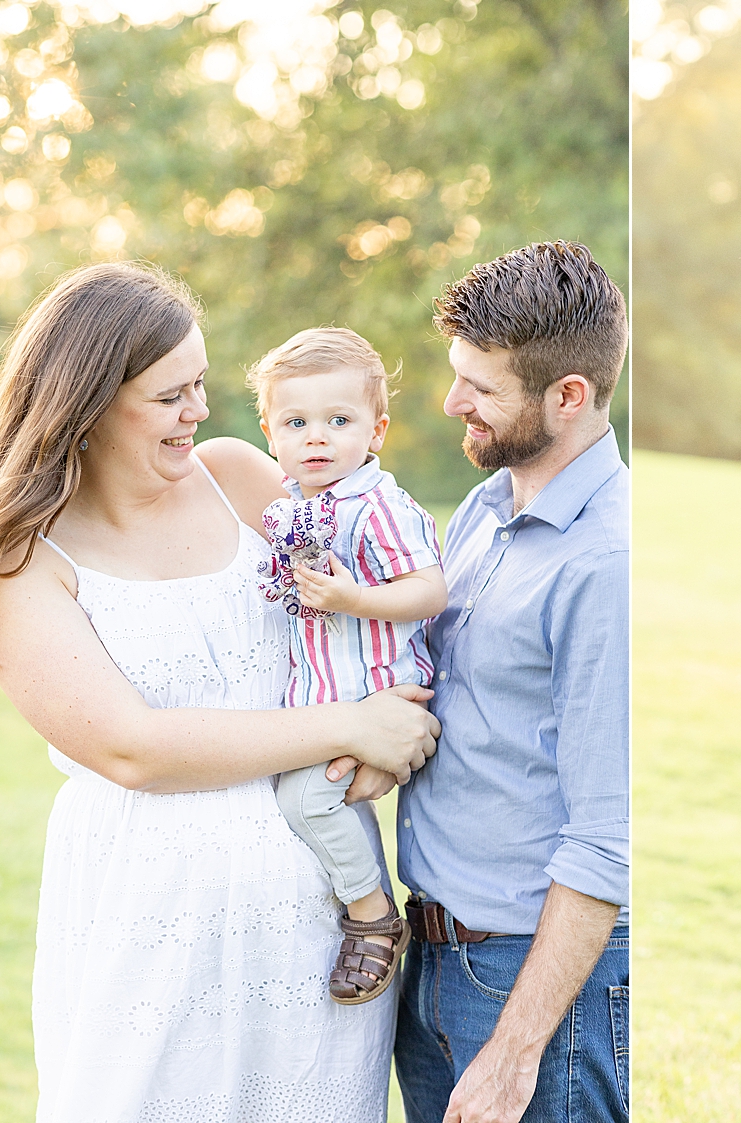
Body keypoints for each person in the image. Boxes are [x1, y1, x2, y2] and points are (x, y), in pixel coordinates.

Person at [0, 261, 440, 1122]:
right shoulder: (22, 562)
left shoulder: (240, 477)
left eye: (200, 385)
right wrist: (349, 723)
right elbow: (133, 747)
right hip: (149, 924)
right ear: (89, 404)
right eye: (172, 395)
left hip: (320, 927)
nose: (200, 411)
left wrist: (392, 725)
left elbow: (375, 575)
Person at [382, 241, 630, 1123]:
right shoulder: (488, 508)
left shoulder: (607, 564)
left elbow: (610, 835)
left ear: (567, 396)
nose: (453, 404)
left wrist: (517, 1045)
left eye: (480, 388)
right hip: (434, 957)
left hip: (534, 987)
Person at [248, 327, 448, 1004]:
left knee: (303, 796)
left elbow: (429, 589)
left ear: (377, 429)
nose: (318, 438)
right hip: (326, 702)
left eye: (339, 421)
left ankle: (370, 915)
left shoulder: (378, 505)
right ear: (270, 433)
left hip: (374, 691)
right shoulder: (291, 510)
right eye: (297, 422)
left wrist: (351, 597)